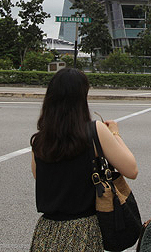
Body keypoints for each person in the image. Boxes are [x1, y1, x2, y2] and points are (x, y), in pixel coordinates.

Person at [30, 68, 138, 251]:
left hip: (47, 232)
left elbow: (38, 176)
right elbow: (131, 169)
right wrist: (115, 134)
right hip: (83, 231)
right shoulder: (94, 131)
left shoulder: (39, 139)